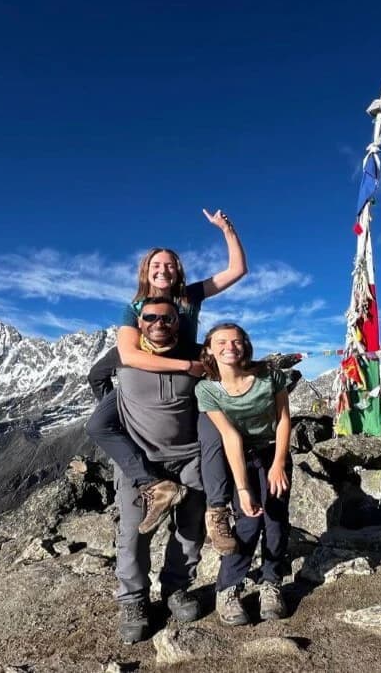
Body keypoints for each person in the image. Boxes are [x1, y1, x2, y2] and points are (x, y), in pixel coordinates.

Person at [86, 209, 247, 551]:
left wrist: (226, 229)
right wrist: (185, 367)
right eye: (156, 265)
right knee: (99, 422)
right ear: (146, 271)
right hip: (145, 368)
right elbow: (128, 355)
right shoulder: (134, 307)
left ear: (178, 271)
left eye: (170, 265)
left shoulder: (189, 296)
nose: (163, 270)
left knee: (211, 432)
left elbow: (237, 270)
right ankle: (150, 481)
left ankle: (216, 510)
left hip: (183, 368)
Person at [105, 297, 207, 644]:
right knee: (134, 534)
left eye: (167, 318)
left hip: (190, 457)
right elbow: (96, 378)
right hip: (142, 461)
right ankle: (134, 601)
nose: (159, 323)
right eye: (150, 317)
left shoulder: (196, 355)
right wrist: (114, 414)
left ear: (178, 322)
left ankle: (176, 588)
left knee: (190, 527)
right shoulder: (124, 354)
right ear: (140, 322)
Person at [196, 322, 293, 625]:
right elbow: (230, 437)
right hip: (240, 459)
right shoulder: (207, 389)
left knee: (276, 520)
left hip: (272, 452)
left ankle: (271, 583)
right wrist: (242, 489)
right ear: (209, 348)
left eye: (237, 342)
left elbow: (283, 420)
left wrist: (278, 463)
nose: (230, 347)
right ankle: (227, 588)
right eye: (221, 342)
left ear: (246, 345)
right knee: (249, 523)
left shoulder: (270, 376)